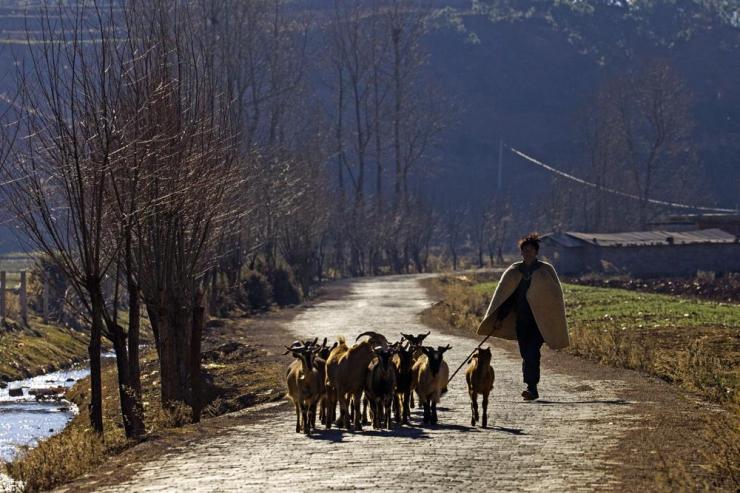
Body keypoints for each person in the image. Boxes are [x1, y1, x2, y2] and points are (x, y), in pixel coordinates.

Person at [476, 233, 569, 401]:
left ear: (536, 251)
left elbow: (554, 297)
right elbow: (507, 298)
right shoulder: (514, 271)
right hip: (522, 322)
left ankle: (531, 387)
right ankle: (531, 386)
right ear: (521, 252)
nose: (528, 252)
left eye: (531, 250)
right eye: (525, 250)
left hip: (539, 322)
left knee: (532, 352)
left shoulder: (545, 271)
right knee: (526, 353)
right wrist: (499, 319)